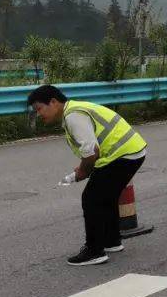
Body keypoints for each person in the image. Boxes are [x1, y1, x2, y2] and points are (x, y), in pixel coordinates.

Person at [27, 84, 148, 266]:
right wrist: (85, 168)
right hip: (129, 152)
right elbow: (91, 152)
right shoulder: (73, 111)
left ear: (53, 102)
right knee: (106, 197)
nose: (39, 114)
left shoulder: (73, 115)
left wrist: (83, 171)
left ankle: (94, 251)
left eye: (39, 109)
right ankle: (111, 241)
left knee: (91, 198)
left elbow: (91, 151)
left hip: (122, 155)